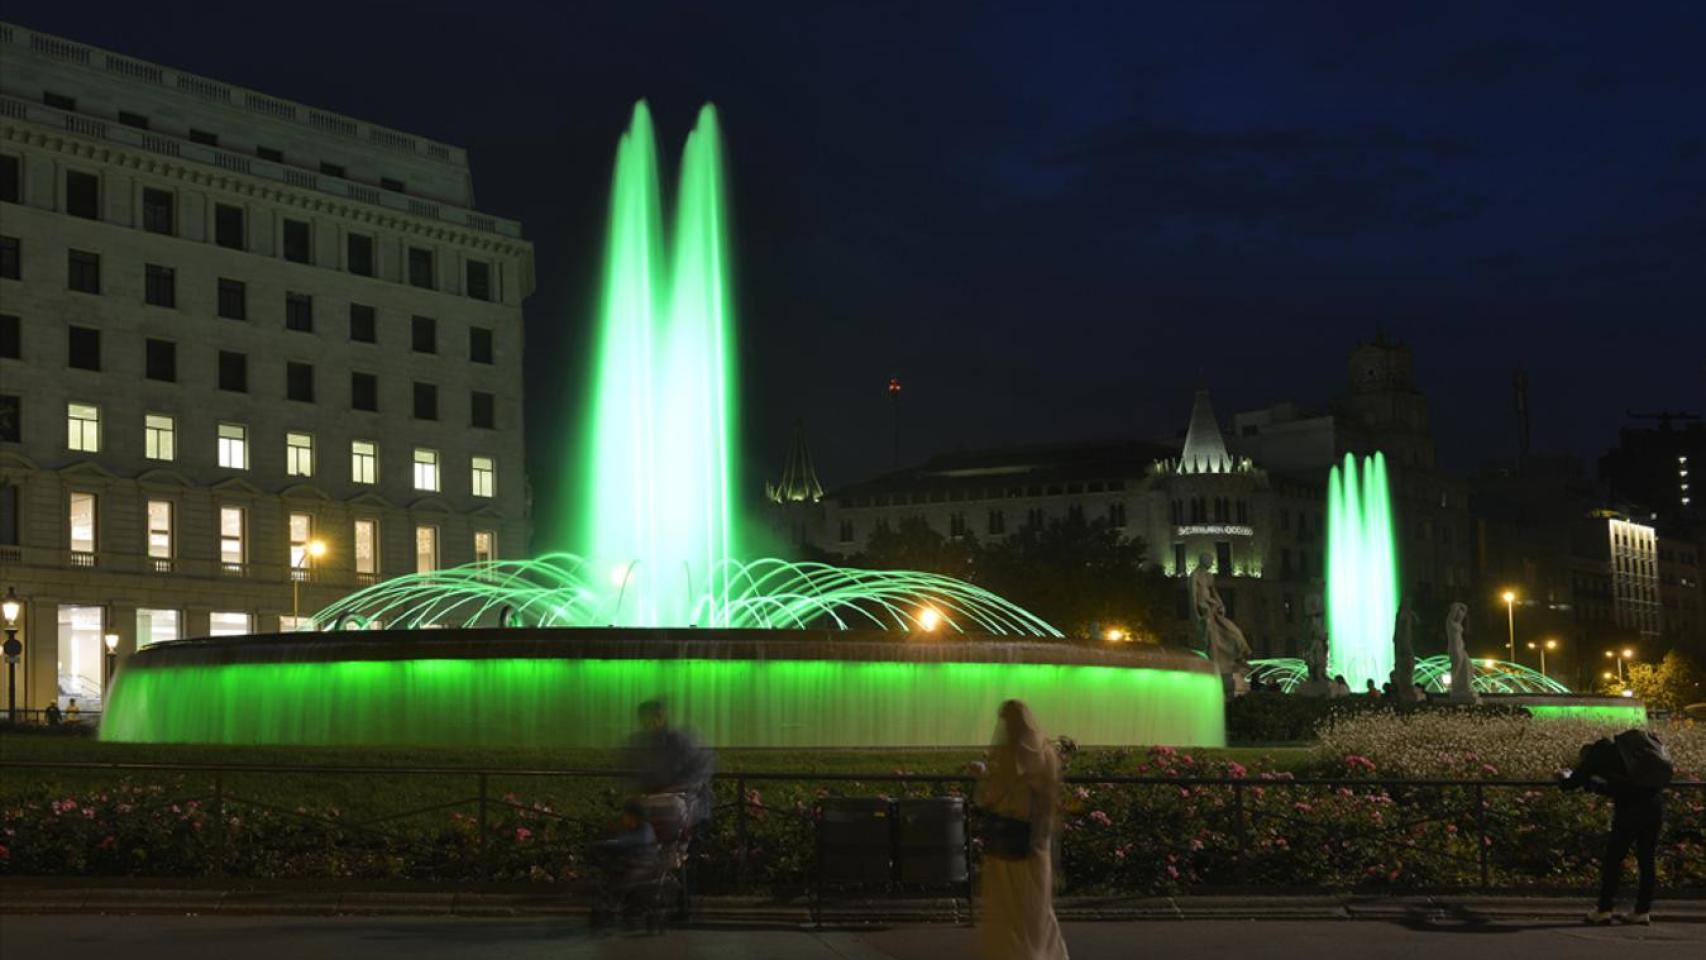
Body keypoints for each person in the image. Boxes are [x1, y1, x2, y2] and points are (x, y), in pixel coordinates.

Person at [972, 699, 1068, 960]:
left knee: (1009, 909)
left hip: (1008, 846)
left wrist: (981, 776)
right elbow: (1051, 798)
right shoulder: (1046, 752)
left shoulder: (1007, 755)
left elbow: (990, 797)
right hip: (1037, 844)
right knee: (1037, 911)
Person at [1560, 734, 1667, 925]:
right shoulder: (1631, 751)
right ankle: (1642, 911)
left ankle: (1604, 909)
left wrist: (1563, 776)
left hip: (1629, 810)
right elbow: (1616, 784)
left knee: (1614, 859)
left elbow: (1572, 782)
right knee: (1647, 859)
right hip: (1655, 805)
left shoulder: (1597, 754)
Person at [625, 700, 714, 918]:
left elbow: (699, 772)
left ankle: (681, 898)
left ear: (662, 717)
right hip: (663, 807)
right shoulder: (647, 744)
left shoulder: (680, 741)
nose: (650, 723)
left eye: (654, 717)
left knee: (680, 852)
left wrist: (674, 788)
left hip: (682, 806)